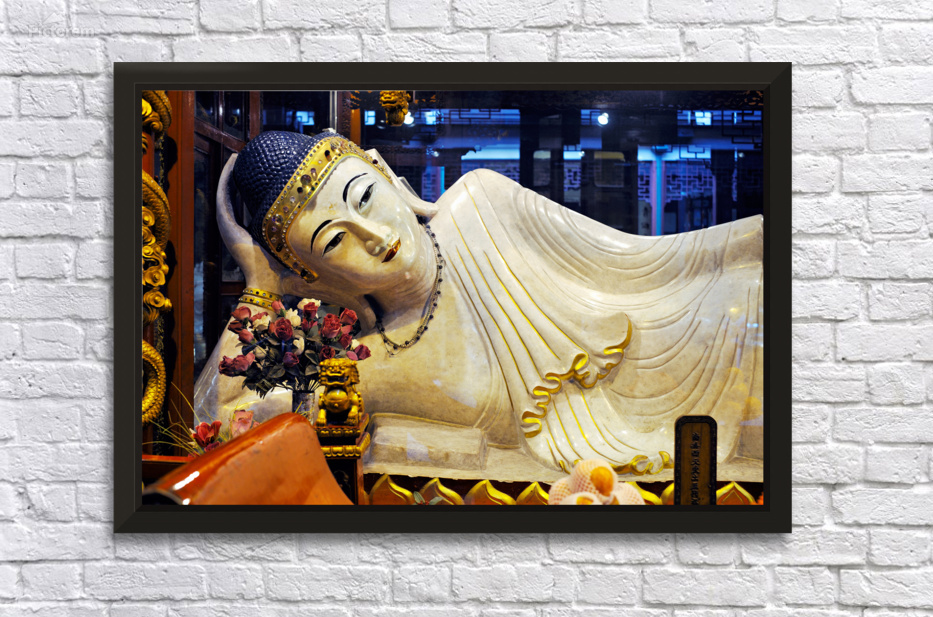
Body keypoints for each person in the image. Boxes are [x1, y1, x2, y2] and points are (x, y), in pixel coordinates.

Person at [194, 130, 764, 480]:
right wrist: (261, 282)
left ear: (383, 172)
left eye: (365, 197)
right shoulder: (371, 359)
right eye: (334, 241)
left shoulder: (482, 203)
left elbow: (641, 261)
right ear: (311, 274)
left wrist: (767, 235)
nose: (373, 235)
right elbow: (219, 417)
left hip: (701, 332)